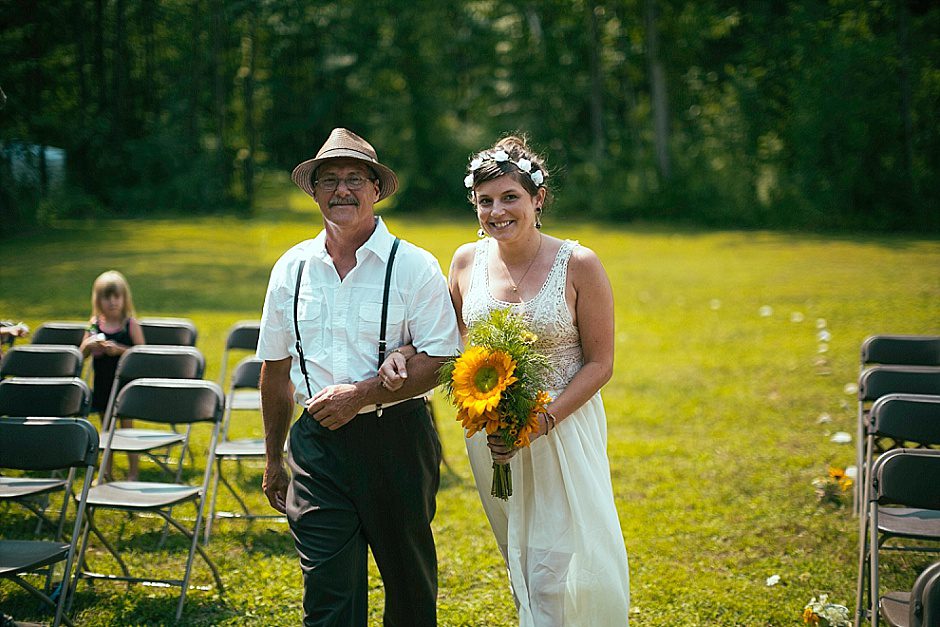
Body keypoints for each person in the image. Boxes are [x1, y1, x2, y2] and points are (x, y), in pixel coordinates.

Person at [380, 136, 630, 625]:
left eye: (509, 197)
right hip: (491, 433)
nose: (497, 211)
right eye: (485, 201)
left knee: (557, 563)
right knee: (518, 551)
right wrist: (402, 356)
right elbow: (446, 338)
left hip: (562, 428)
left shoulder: (579, 264)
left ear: (537, 199)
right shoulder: (465, 261)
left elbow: (601, 363)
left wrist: (543, 420)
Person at [257, 127, 461, 627]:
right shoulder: (292, 268)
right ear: (314, 191)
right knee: (329, 597)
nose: (341, 190)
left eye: (354, 179)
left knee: (409, 588)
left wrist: (364, 393)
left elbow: (443, 357)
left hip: (397, 440)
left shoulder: (413, 265)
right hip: (316, 446)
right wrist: (272, 459)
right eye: (328, 180)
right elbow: (275, 368)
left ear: (375, 189)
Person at [79, 270, 145, 480]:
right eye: (107, 297)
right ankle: (106, 471)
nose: (112, 302)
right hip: (103, 384)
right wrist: (89, 344)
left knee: (127, 431)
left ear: (124, 298)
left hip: (126, 386)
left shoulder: (130, 324)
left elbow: (143, 353)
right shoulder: (94, 324)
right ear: (98, 300)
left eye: (117, 297)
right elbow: (81, 354)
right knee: (105, 430)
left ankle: (133, 470)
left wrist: (119, 350)